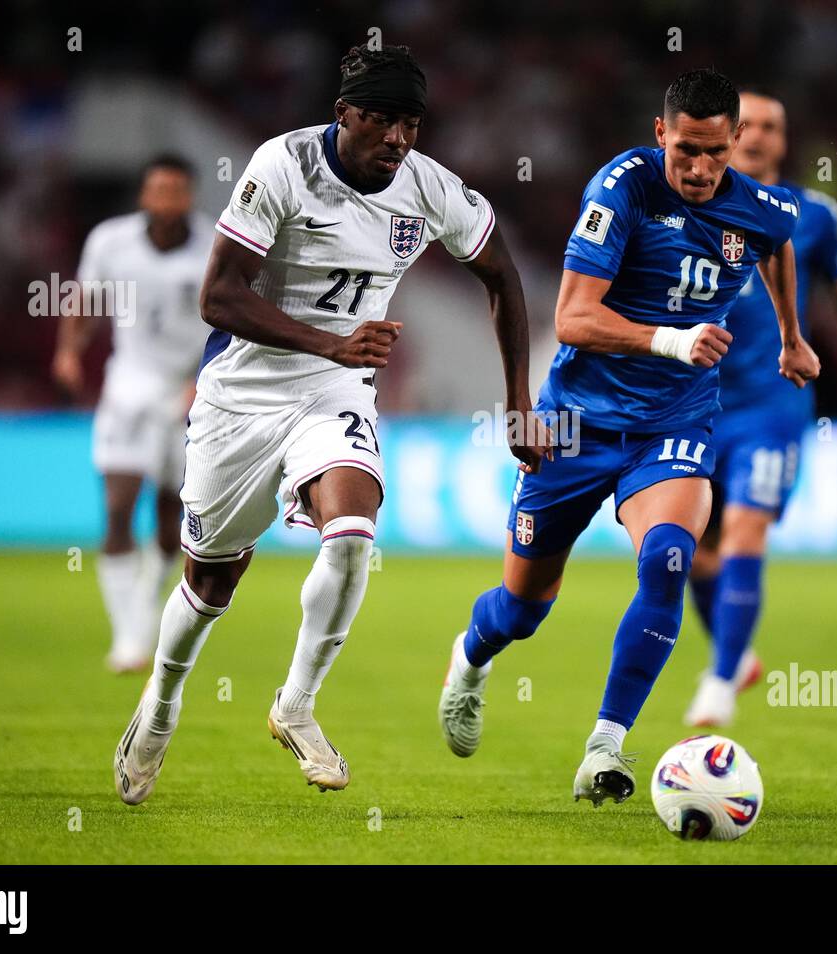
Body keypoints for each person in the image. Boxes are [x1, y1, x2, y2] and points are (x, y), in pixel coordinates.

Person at [114, 43, 548, 805]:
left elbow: (503, 276)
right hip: (239, 397)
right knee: (212, 579)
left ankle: (297, 704)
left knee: (353, 538)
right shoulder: (282, 167)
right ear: (343, 114)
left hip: (337, 392)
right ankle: (160, 704)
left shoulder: (428, 189)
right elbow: (216, 295)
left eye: (410, 123)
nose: (398, 138)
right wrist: (330, 338)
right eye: (381, 120)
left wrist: (519, 402)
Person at [437, 69, 819, 806]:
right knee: (521, 608)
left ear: (734, 141)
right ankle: (470, 658)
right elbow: (573, 319)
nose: (700, 169)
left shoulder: (763, 206)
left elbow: (777, 244)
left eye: (714, 152)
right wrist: (673, 342)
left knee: (671, 555)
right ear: (659, 135)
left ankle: (606, 746)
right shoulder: (623, 190)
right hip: (576, 421)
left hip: (673, 424)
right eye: (685, 152)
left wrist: (792, 338)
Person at [683, 90, 837, 727]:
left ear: (783, 140)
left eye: (772, 126)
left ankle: (721, 679)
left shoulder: (815, 215)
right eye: (747, 124)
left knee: (748, 529)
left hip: (773, 407)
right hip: (692, 404)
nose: (758, 136)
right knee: (692, 549)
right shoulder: (684, 202)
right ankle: (735, 652)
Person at [53, 155, 211, 673]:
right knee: (119, 506)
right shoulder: (110, 241)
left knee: (172, 523)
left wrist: (199, 382)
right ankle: (127, 636)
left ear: (189, 196)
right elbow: (84, 299)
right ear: (144, 195)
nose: (165, 199)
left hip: (191, 391)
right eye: (157, 189)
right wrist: (70, 351)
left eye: (176, 190)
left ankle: (146, 605)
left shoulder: (215, 244)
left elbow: (232, 322)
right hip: (129, 385)